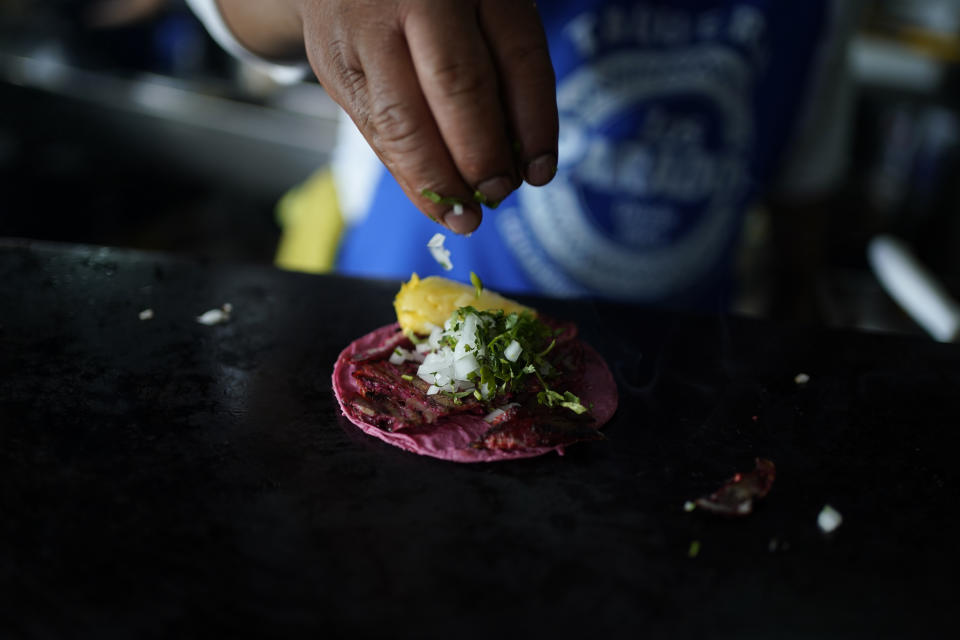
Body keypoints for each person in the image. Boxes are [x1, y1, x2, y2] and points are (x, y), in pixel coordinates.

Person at [186, 0, 860, 311]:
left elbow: (805, 203)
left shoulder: (824, 15)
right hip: (393, 336)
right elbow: (238, 16)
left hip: (679, 387)